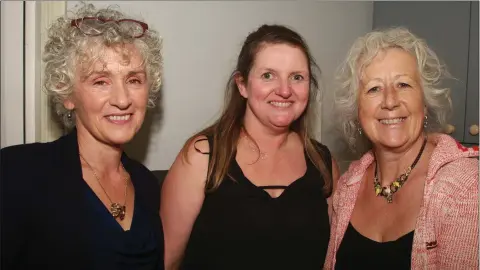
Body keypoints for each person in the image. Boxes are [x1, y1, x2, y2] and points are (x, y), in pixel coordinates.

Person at [160, 24, 339, 270]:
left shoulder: (322, 161)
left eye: (297, 77)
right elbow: (166, 261)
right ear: (242, 85)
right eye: (268, 75)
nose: (285, 90)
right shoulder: (203, 157)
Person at [1, 3, 164, 270]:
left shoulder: (147, 184)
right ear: (67, 94)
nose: (123, 99)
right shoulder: (17, 172)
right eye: (101, 81)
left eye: (134, 80)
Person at [325, 27, 479, 270]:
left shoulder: (466, 186)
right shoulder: (347, 186)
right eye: (374, 88)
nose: (390, 101)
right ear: (357, 111)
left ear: (425, 103)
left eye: (404, 84)